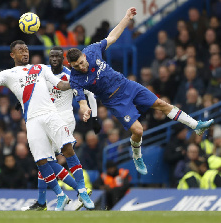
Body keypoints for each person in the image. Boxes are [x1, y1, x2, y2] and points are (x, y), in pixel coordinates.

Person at [66, 7, 214, 176]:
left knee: (161, 104)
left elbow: (112, 36)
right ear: (71, 66)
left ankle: (196, 126)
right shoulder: (76, 79)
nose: (80, 67)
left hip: (127, 85)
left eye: (81, 63)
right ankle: (137, 156)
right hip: (115, 101)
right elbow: (82, 102)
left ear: (84, 57)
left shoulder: (92, 50)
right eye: (76, 66)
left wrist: (127, 17)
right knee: (138, 131)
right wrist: (85, 112)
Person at [0, 40, 95, 211]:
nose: (25, 53)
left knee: (68, 149)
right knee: (42, 161)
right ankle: (60, 195)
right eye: (20, 50)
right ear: (13, 55)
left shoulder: (41, 68)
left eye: (26, 49)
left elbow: (60, 85)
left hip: (51, 114)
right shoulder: (7, 73)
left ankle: (82, 191)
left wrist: (77, 81)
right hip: (32, 120)